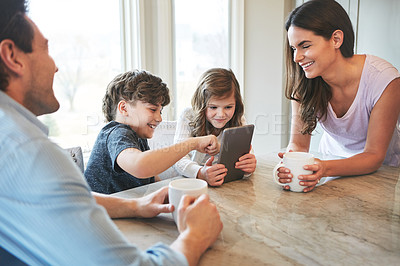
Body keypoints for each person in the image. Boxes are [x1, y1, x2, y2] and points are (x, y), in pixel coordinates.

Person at [0, 0, 222, 265]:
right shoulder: (34, 151)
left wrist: (136, 205)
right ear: (12, 56)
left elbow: (72, 199)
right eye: (46, 49)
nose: (56, 66)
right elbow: (139, 167)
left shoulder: (13, 144)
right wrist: (195, 235)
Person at [277, 0, 400, 192]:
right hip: (330, 168)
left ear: (336, 39)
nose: (296, 58)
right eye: (294, 48)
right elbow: (299, 144)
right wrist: (290, 164)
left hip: (380, 174)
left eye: (305, 46)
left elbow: (374, 155)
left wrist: (325, 167)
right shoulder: (304, 84)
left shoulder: (384, 81)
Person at [84, 70, 220, 194]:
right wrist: (191, 144)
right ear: (124, 108)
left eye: (160, 111)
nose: (159, 118)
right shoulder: (115, 133)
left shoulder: (137, 136)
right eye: (152, 109)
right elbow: (141, 166)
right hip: (101, 216)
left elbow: (151, 176)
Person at [174, 68, 257, 186]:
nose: (221, 114)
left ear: (236, 104)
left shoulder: (238, 118)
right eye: (213, 107)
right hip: (193, 184)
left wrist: (248, 167)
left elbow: (246, 157)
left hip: (227, 185)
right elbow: (178, 158)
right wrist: (200, 172)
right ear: (201, 104)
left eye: (228, 107)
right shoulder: (188, 116)